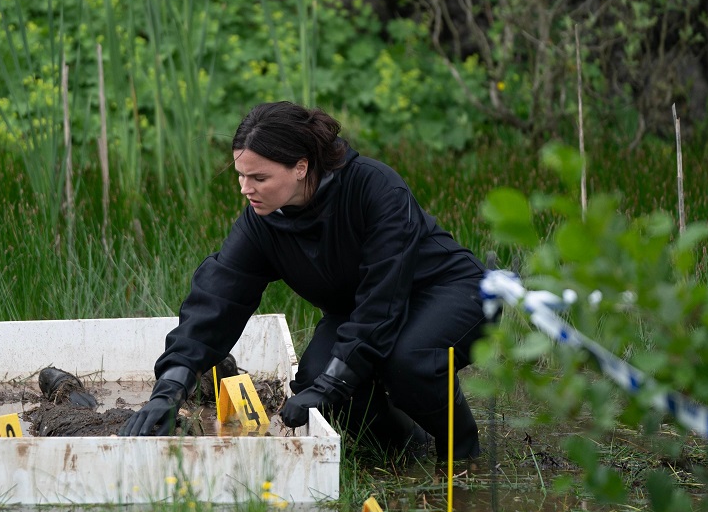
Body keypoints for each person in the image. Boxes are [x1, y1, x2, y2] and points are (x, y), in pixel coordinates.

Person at [119, 101, 488, 462]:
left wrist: (335, 382)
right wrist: (169, 389)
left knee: (408, 362)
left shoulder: (375, 189)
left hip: (449, 290)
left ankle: (462, 451)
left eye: (259, 178)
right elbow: (217, 299)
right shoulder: (261, 222)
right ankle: (408, 450)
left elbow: (384, 297)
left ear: (300, 166)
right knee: (315, 380)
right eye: (240, 176)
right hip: (363, 308)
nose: (245, 189)